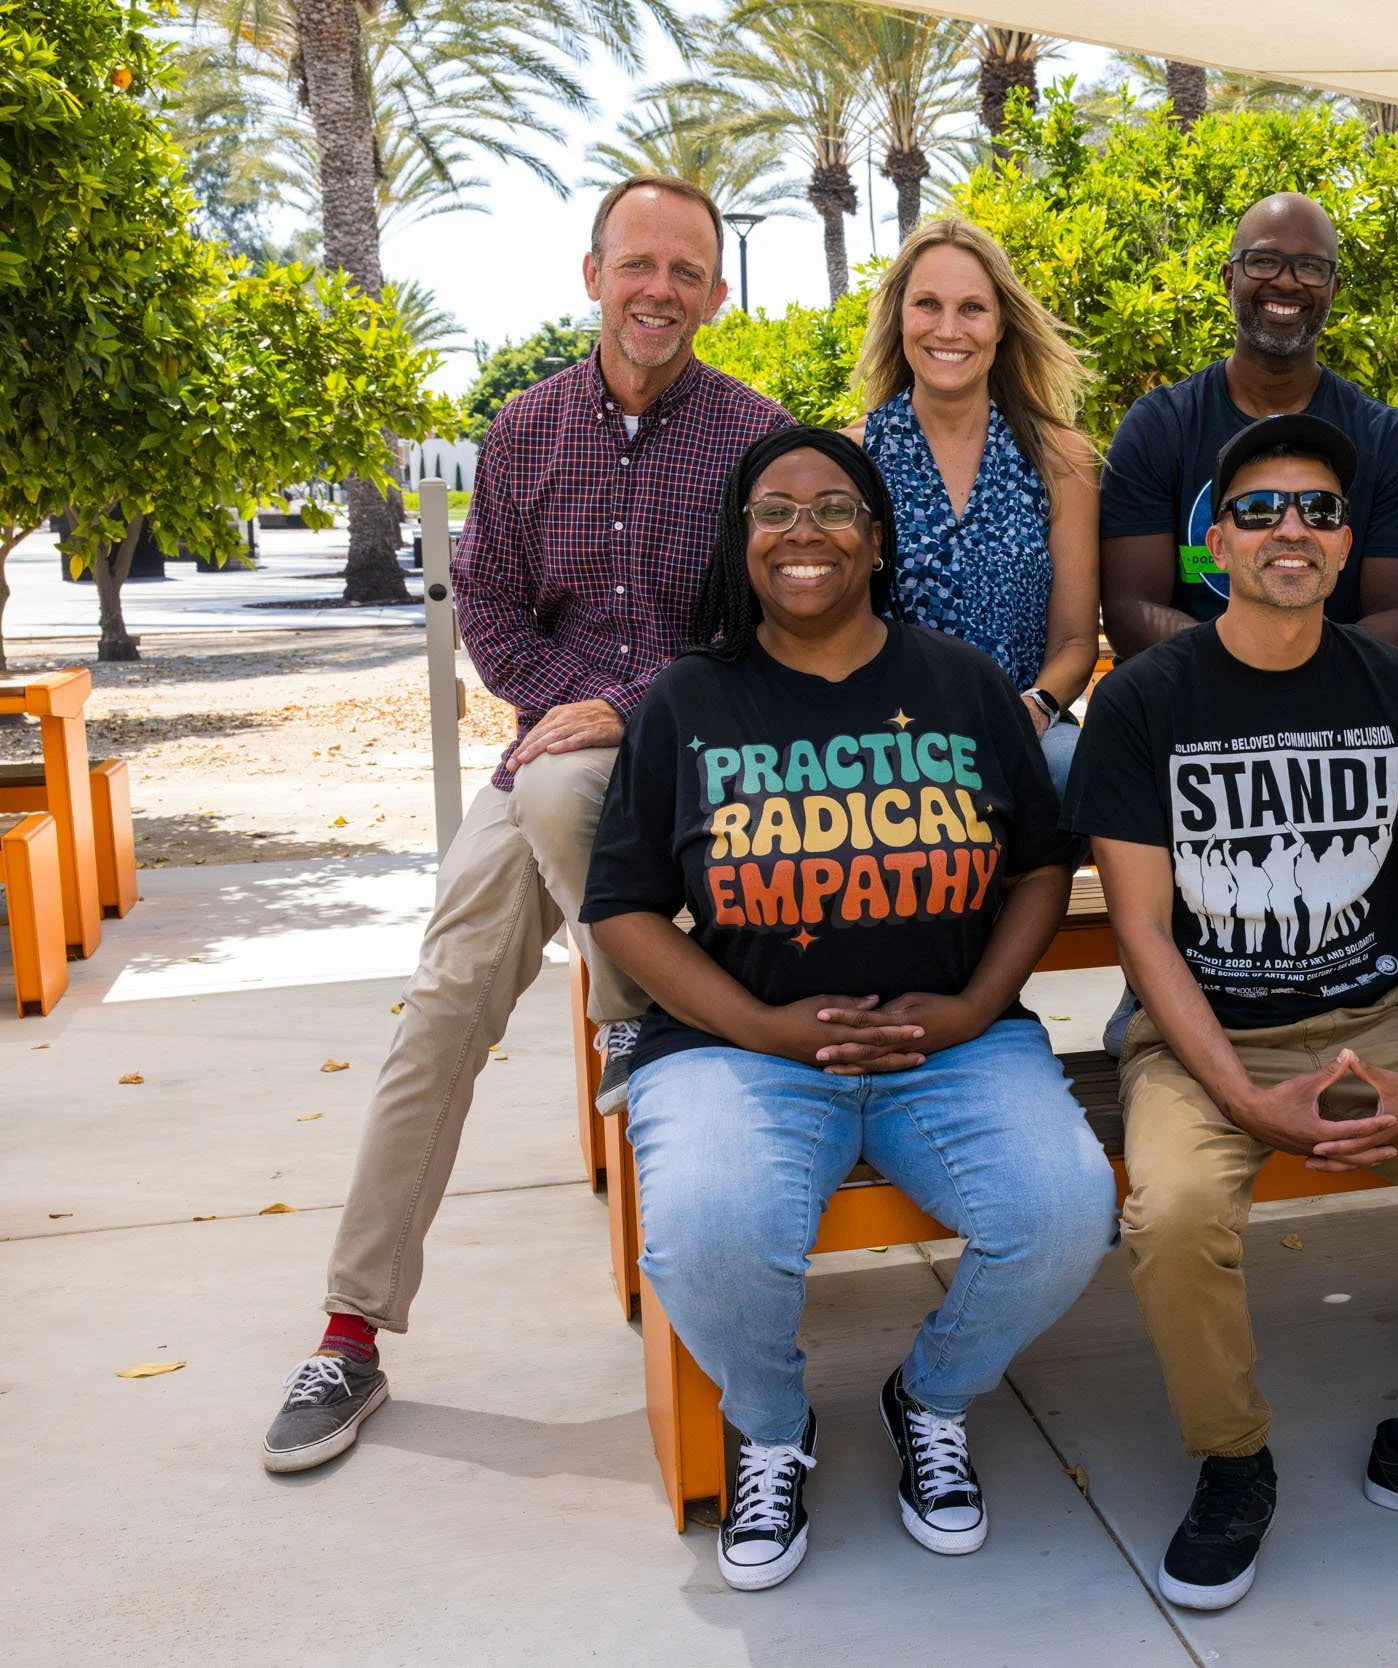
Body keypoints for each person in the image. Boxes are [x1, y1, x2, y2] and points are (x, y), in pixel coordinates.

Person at [260, 176, 790, 1475]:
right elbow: (487, 608)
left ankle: (634, 1012)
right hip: (548, 755)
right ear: (593, 274)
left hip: (705, 759)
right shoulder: (526, 428)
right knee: (441, 1007)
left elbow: (767, 624)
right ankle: (350, 1332)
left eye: (686, 270)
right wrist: (573, 708)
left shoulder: (756, 437)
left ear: (715, 294)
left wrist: (630, 708)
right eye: (638, 265)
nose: (659, 289)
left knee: (564, 785)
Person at [1062, 414, 1398, 1613]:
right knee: (1176, 1213)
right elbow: (1143, 932)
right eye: (1259, 511)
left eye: (1314, 508)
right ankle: (1232, 1459)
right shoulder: (1145, 701)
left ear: (1348, 541)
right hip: (1204, 1037)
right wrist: (1242, 1096)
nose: (1290, 530)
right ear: (1217, 544)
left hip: (1378, 1021)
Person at [580, 427, 1116, 1590]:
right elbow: (621, 909)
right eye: (773, 509)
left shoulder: (963, 684)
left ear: (876, 543)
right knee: (707, 1234)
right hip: (742, 1051)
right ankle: (773, 1425)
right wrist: (764, 1029)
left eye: (833, 509)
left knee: (1068, 1207)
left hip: (950, 1050)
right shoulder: (687, 702)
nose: (803, 531)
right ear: (741, 542)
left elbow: (1036, 863)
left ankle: (930, 1397)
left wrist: (979, 1004)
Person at [1097, 192, 1398, 660]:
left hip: (1338, 709)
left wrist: (1296, 678)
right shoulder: (1160, 426)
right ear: (1229, 277)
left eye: (1311, 267)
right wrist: (1247, 675)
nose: (1287, 282)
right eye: (1263, 261)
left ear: (1334, 289)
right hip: (1186, 702)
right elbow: (1131, 608)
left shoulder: (1384, 438)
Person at [845, 218, 1100, 794]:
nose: (948, 329)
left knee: (1082, 769)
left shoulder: (1061, 458)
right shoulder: (850, 458)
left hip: (1024, 725)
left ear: (1002, 323)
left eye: (973, 309)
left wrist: (1031, 710)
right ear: (901, 317)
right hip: (882, 736)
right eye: (928, 304)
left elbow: (1075, 643)